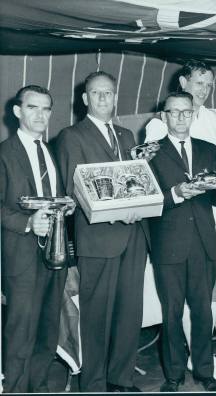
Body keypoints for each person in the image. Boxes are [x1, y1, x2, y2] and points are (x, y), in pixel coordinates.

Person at [56, 71, 149, 392]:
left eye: (108, 93)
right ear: (85, 99)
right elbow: (75, 187)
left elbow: (136, 182)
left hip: (134, 235)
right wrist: (117, 212)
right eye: (96, 93)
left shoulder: (126, 135)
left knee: (129, 311)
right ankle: (93, 383)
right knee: (96, 316)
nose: (103, 99)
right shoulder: (71, 136)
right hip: (98, 237)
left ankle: (120, 378)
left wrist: (140, 202)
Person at [145, 60, 216, 379]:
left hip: (203, 241)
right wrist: (178, 192)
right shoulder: (152, 151)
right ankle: (173, 376)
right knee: (171, 315)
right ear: (165, 116)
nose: (182, 117)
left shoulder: (210, 149)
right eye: (175, 112)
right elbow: (150, 200)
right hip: (169, 243)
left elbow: (212, 193)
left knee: (202, 311)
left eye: (187, 112)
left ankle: (206, 373)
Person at [0, 85, 70, 393]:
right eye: (33, 108)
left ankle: (38, 387)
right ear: (17, 111)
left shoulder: (51, 151)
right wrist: (27, 223)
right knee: (20, 333)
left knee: (47, 329)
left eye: (46, 109)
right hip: (21, 256)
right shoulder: (4, 153)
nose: (40, 115)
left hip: (54, 254)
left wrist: (67, 204)